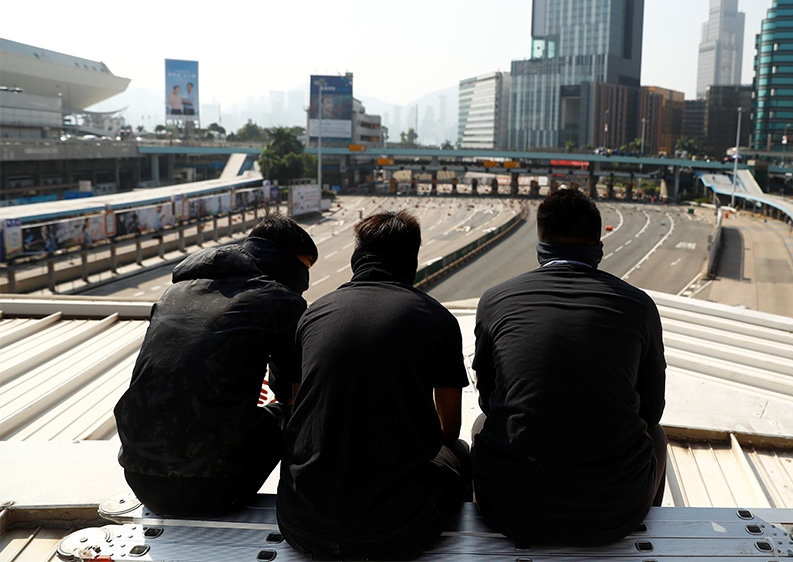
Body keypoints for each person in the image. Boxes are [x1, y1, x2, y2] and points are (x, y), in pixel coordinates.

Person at [472, 187, 667, 546]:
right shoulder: (638, 306)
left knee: (482, 424)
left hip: (510, 511)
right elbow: (652, 410)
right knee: (656, 435)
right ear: (598, 243)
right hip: (613, 515)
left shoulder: (495, 300)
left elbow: (488, 398)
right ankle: (641, 533)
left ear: (540, 241)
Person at [278, 210, 470, 561]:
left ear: (356, 259)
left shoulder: (312, 315)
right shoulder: (437, 319)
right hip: (396, 533)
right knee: (458, 451)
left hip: (299, 526)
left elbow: (295, 409)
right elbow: (448, 428)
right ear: (411, 262)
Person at [114, 213, 317, 516]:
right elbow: (292, 393)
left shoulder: (174, 292)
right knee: (296, 413)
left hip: (140, 481)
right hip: (219, 489)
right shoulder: (280, 299)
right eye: (304, 268)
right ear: (287, 261)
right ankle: (304, 503)